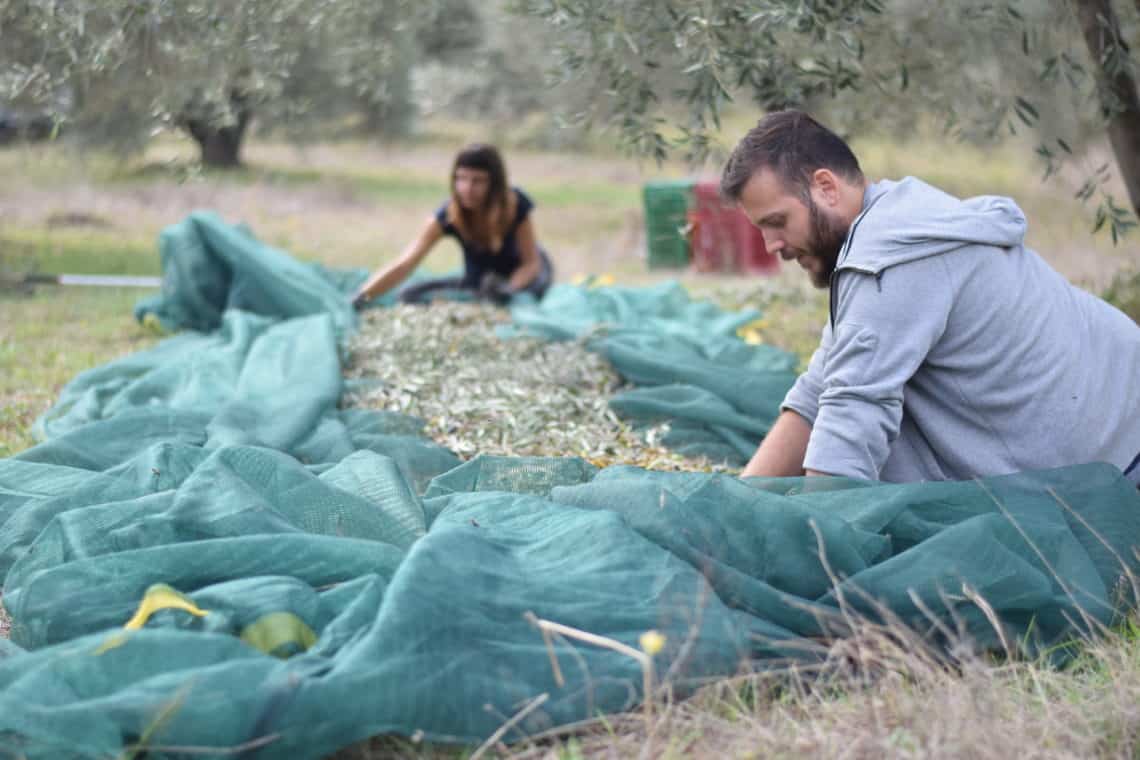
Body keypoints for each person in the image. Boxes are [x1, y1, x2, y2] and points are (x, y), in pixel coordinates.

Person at [720, 109, 1140, 486]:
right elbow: (820, 392)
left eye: (777, 221)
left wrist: (813, 548)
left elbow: (850, 424)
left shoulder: (888, 259)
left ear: (826, 187)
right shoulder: (896, 223)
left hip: (1111, 469)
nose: (772, 245)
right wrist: (742, 506)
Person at [351, 143, 553, 308]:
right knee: (409, 295)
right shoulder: (448, 215)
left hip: (527, 277)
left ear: (495, 184)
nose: (467, 188)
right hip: (479, 282)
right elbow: (406, 263)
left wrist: (509, 289)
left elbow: (531, 264)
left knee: (503, 299)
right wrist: (363, 296)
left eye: (478, 181)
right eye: (461, 178)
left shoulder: (514, 204)